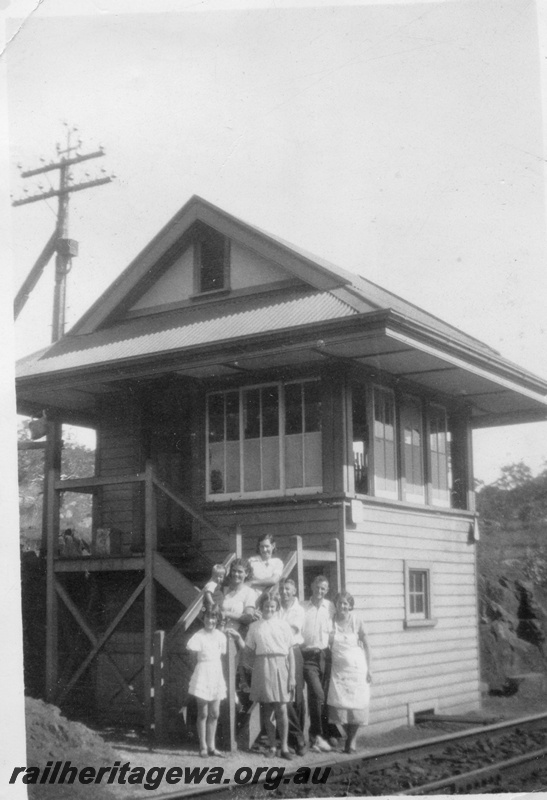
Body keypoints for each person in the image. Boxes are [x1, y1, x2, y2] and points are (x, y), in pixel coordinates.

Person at [229, 593, 295, 761]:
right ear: (261, 607)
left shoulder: (283, 625)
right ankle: (272, 746)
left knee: (281, 708)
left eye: (273, 606)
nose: (269, 609)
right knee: (266, 709)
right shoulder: (255, 626)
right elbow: (249, 650)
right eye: (266, 606)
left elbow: (291, 654)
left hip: (281, 665)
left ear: (277, 607)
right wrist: (237, 638)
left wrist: (292, 676)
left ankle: (285, 746)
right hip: (262, 666)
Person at [327, 591, 372, 754]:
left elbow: (367, 646)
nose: (343, 606)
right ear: (336, 605)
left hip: (357, 669)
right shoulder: (330, 621)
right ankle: (348, 736)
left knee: (357, 706)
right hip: (338, 671)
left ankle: (351, 741)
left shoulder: (356, 620)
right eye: (340, 603)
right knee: (341, 707)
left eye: (346, 603)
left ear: (350, 605)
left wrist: (370, 669)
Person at [186, 606, 227, 758]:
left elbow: (220, 655)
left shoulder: (221, 637)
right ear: (203, 619)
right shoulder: (198, 636)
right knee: (203, 713)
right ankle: (203, 746)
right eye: (208, 617)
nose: (210, 620)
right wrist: (200, 669)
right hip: (202, 673)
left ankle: (212, 746)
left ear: (217, 619)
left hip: (216, 673)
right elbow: (192, 657)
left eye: (213, 617)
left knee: (215, 713)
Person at [301, 574, 335, 752]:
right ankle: (316, 734)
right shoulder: (302, 607)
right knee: (317, 694)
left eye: (323, 588)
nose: (319, 591)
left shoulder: (330, 607)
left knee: (321, 697)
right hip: (308, 655)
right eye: (317, 587)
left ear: (326, 590)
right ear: (311, 586)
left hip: (325, 655)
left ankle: (322, 735)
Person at [278, 578, 307, 756]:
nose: (284, 592)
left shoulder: (299, 610)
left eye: (288, 589)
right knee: (283, 695)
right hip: (279, 655)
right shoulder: (276, 607)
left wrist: (275, 626)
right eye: (282, 589)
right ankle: (296, 737)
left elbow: (291, 632)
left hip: (294, 652)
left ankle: (299, 739)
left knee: (296, 696)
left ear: (294, 591)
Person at [221, 559, 258, 631]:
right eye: (234, 571)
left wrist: (227, 614)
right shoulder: (223, 589)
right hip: (219, 632)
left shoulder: (249, 592)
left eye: (240, 572)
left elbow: (248, 618)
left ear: (246, 573)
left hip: (236, 634)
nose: (236, 574)